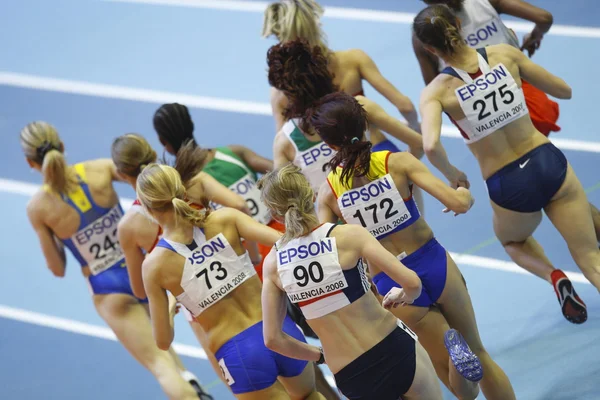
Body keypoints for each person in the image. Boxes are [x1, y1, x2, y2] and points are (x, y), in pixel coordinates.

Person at [312, 92, 516, 399]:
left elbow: (332, 259)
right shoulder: (398, 162)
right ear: (364, 125)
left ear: (328, 145)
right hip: (434, 263)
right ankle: (466, 361)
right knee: (479, 352)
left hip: (393, 283)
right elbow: (457, 203)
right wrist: (463, 193)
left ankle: (460, 372)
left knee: (447, 366)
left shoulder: (328, 195)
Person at [415, 4, 600, 324]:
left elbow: (430, 145)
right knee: (589, 257)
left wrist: (454, 176)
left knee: (513, 242)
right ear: (458, 25)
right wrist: (516, 67)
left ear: (430, 49)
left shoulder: (435, 92)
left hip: (508, 182)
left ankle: (554, 276)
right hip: (547, 161)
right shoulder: (504, 53)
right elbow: (564, 91)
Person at [20, 122, 209, 399]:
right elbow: (143, 174)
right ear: (62, 146)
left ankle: (188, 390)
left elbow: (57, 269)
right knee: (163, 346)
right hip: (141, 270)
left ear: (30, 162)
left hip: (108, 290)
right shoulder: (99, 168)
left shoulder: (38, 207)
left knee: (159, 364)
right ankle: (191, 383)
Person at [136, 162, 324, 400]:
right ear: (183, 192)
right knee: (311, 396)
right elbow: (287, 244)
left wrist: (173, 303)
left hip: (239, 354)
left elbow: (163, 341)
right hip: (280, 330)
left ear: (146, 207)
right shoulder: (226, 219)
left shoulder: (154, 266)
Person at [258, 163, 446, 400]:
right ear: (311, 194)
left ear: (275, 213)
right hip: (393, 347)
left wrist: (319, 355)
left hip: (350, 373)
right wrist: (403, 295)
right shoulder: (347, 236)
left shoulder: (274, 263)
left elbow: (273, 339)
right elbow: (412, 283)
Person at [267, 39, 424, 198]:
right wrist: (397, 168)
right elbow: (418, 144)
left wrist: (317, 196)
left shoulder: (284, 141)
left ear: (287, 94)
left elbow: (287, 200)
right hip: (392, 202)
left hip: (338, 218)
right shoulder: (359, 106)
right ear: (324, 73)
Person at [263, 0, 421, 149]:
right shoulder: (353, 59)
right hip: (376, 148)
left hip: (336, 167)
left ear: (280, 38)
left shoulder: (281, 91)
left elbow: (284, 143)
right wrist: (414, 127)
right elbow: (405, 106)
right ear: (316, 24)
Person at [152, 103, 280, 278]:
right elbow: (283, 172)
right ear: (191, 124)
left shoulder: (180, 190)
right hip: (281, 240)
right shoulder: (235, 153)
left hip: (248, 264)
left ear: (162, 142)